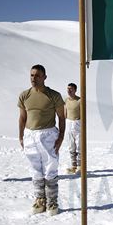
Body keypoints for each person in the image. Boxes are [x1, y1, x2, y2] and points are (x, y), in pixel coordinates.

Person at [18, 64, 66, 215]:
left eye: (38, 75)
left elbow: (62, 117)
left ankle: (52, 201)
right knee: (35, 169)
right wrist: (21, 136)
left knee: (50, 168)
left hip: (48, 135)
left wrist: (61, 137)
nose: (34, 78)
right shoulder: (24, 95)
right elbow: (22, 117)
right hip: (29, 135)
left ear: (45, 77)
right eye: (32, 75)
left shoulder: (54, 95)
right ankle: (40, 200)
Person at [64, 83, 82, 174]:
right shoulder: (66, 100)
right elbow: (65, 112)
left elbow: (83, 113)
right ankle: (73, 166)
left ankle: (80, 166)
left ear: (75, 90)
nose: (69, 91)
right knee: (71, 145)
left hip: (77, 123)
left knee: (79, 145)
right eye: (68, 89)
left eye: (71, 89)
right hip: (68, 122)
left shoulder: (79, 100)